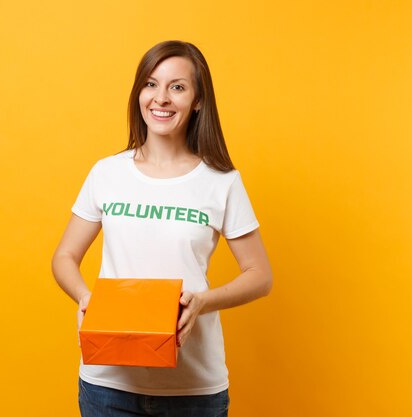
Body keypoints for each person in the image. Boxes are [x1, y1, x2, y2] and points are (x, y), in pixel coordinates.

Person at [52, 40, 273, 417]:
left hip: (193, 389)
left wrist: (203, 301)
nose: (161, 98)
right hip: (107, 383)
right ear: (139, 93)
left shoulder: (221, 182)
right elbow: (65, 257)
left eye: (177, 87)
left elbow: (260, 276)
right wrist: (84, 297)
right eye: (151, 84)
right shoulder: (107, 173)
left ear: (198, 100)